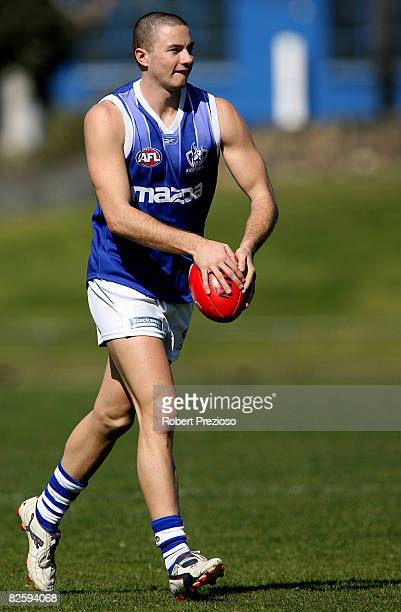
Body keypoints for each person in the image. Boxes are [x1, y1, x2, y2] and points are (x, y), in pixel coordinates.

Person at [17, 11, 278, 601]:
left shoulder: (217, 115)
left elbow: (262, 194)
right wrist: (199, 246)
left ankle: (44, 514)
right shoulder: (108, 118)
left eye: (191, 50)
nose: (186, 59)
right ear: (142, 57)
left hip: (176, 288)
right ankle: (178, 556)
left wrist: (243, 249)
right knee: (162, 409)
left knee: (114, 415)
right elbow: (120, 216)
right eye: (174, 50)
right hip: (118, 277)